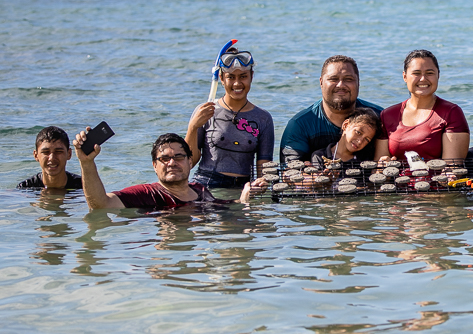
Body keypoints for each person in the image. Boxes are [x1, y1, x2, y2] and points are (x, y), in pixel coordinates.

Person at [74, 130, 251, 211]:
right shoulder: (147, 194)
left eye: (179, 157)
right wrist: (86, 163)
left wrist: (243, 200)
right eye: (164, 159)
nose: (172, 163)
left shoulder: (199, 190)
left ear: (190, 161)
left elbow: (222, 207)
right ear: (154, 165)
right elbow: (101, 204)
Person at [185, 47, 274, 188]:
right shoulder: (205, 111)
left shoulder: (263, 118)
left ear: (251, 76)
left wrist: (261, 184)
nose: (237, 83)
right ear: (221, 78)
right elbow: (188, 163)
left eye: (243, 76)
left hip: (243, 187)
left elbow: (264, 165)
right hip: (206, 183)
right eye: (231, 77)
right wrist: (193, 127)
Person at [280, 55, 384, 163]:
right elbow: (288, 169)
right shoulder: (300, 125)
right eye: (333, 79)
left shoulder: (381, 118)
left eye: (348, 79)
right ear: (321, 82)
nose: (340, 85)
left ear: (358, 82)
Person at [377, 49, 470, 160]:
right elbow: (379, 165)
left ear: (438, 75)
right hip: (396, 172)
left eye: (429, 73)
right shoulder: (387, 115)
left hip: (438, 172)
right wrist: (384, 165)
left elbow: (453, 166)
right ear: (405, 76)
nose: (423, 79)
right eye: (416, 73)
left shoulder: (451, 112)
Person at [17, 126, 83, 190]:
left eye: (58, 151)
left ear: (69, 154)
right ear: (36, 155)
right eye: (46, 152)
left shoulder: (82, 186)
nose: (52, 158)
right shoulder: (25, 188)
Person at [310, 108, 380, 165]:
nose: (360, 141)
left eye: (367, 139)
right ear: (345, 125)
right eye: (358, 132)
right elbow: (317, 177)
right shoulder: (320, 156)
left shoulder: (365, 161)